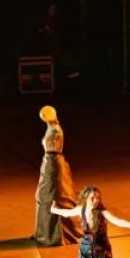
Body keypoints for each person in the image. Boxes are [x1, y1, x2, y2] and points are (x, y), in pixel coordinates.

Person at [33, 106, 78, 247]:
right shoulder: (51, 127)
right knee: (43, 195)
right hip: (49, 162)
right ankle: (44, 232)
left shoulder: (56, 131)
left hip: (53, 163)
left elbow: (53, 147)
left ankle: (57, 233)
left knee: (55, 194)